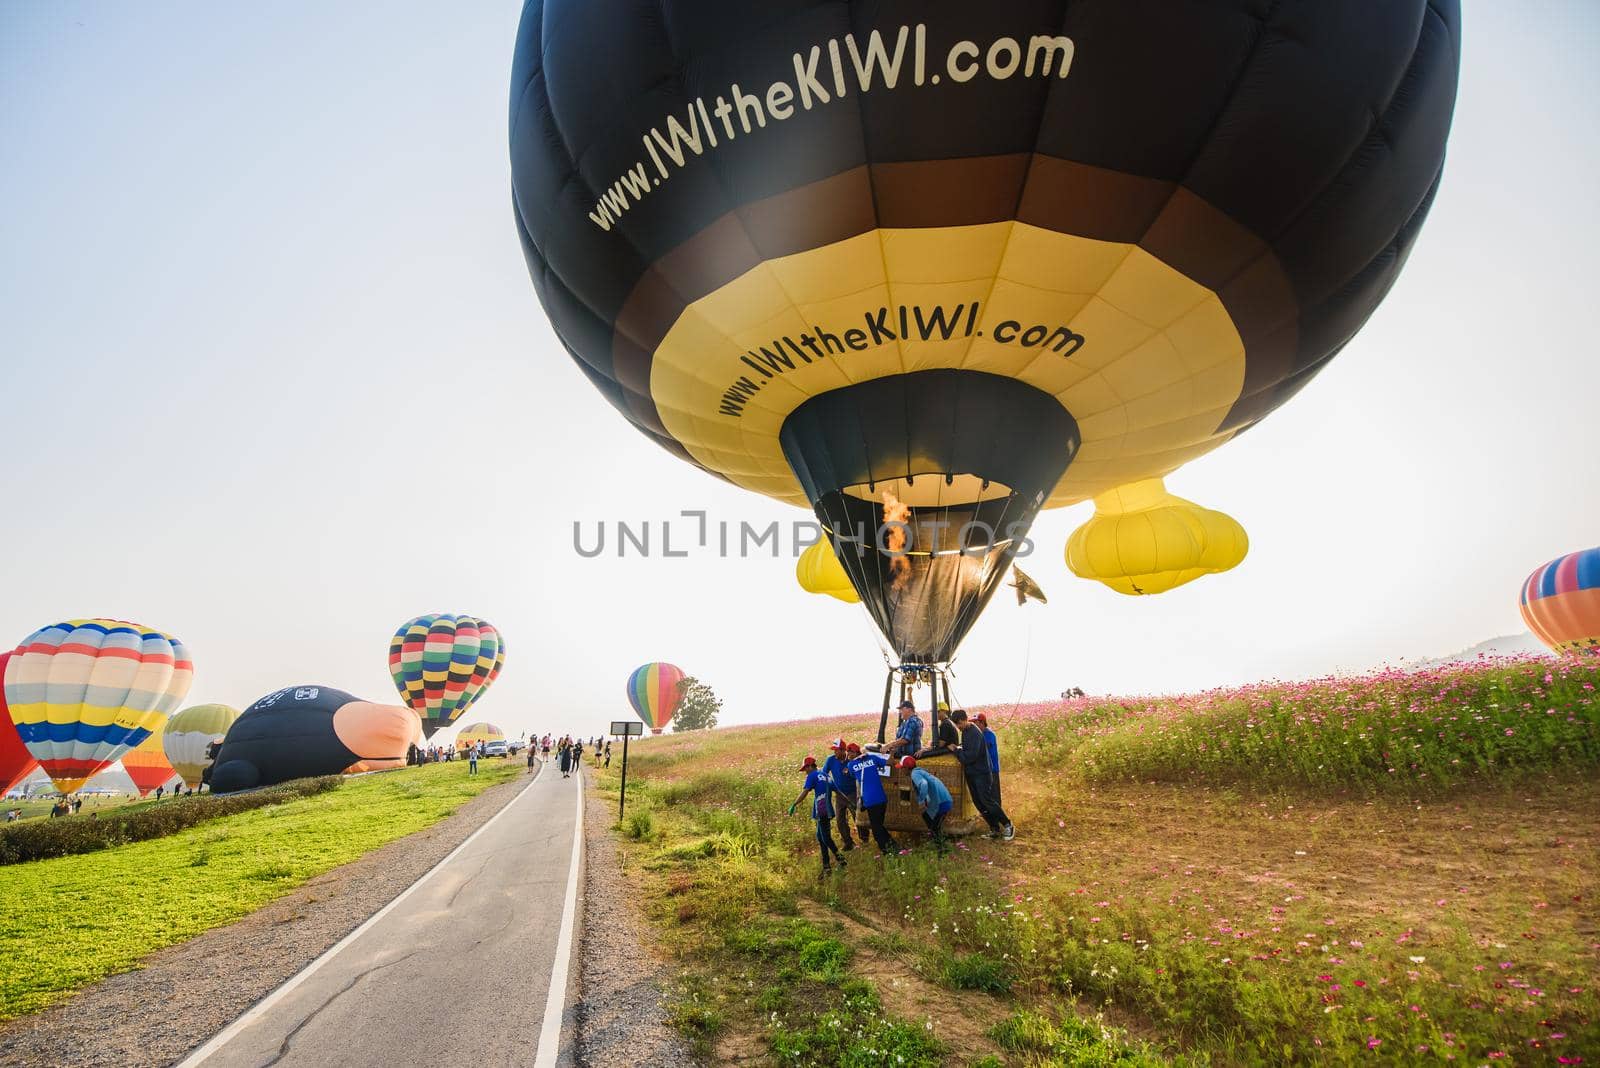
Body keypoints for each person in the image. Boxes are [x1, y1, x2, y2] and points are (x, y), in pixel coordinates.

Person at [950, 709, 1012, 840]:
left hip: (981, 773)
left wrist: (956, 751)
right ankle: (994, 828)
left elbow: (970, 756)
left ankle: (1007, 825)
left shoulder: (974, 733)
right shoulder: (965, 732)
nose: (958, 727)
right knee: (978, 803)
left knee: (987, 801)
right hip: (972, 773)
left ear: (963, 720)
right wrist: (960, 749)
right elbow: (967, 750)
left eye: (958, 724)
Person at [788, 756, 845, 875]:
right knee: (820, 837)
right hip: (827, 808)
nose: (805, 772)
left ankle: (841, 860)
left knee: (825, 838)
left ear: (810, 766)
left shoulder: (812, 775)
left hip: (821, 809)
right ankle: (826, 867)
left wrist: (794, 804)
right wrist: (850, 803)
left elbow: (805, 792)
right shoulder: (825, 775)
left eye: (805, 769)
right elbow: (838, 791)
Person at [846, 744, 897, 855]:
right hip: (882, 799)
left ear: (856, 753)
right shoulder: (872, 758)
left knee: (877, 830)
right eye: (848, 752)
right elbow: (890, 762)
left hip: (870, 801)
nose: (849, 754)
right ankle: (892, 847)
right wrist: (892, 753)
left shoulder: (851, 765)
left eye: (851, 752)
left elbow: (853, 775)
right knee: (879, 826)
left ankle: (888, 851)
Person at [901, 756, 952, 853]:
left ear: (906, 768)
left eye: (902, 768)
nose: (902, 771)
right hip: (944, 801)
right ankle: (941, 848)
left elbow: (923, 784)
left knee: (934, 828)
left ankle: (942, 852)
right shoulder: (921, 772)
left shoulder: (914, 774)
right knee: (930, 822)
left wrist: (921, 801)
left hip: (941, 803)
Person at [820, 739, 856, 852]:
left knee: (857, 817)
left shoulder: (851, 759)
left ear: (843, 750)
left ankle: (864, 839)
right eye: (834, 750)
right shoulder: (830, 760)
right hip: (839, 794)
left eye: (836, 750)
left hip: (852, 793)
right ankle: (848, 843)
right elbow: (824, 774)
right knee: (840, 820)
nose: (834, 752)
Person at [975, 712, 1002, 805]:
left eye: (976, 723)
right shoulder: (982, 734)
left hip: (992, 769)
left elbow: (981, 749)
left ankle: (998, 815)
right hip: (987, 768)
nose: (974, 725)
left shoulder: (989, 734)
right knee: (989, 793)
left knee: (994, 794)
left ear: (982, 723)